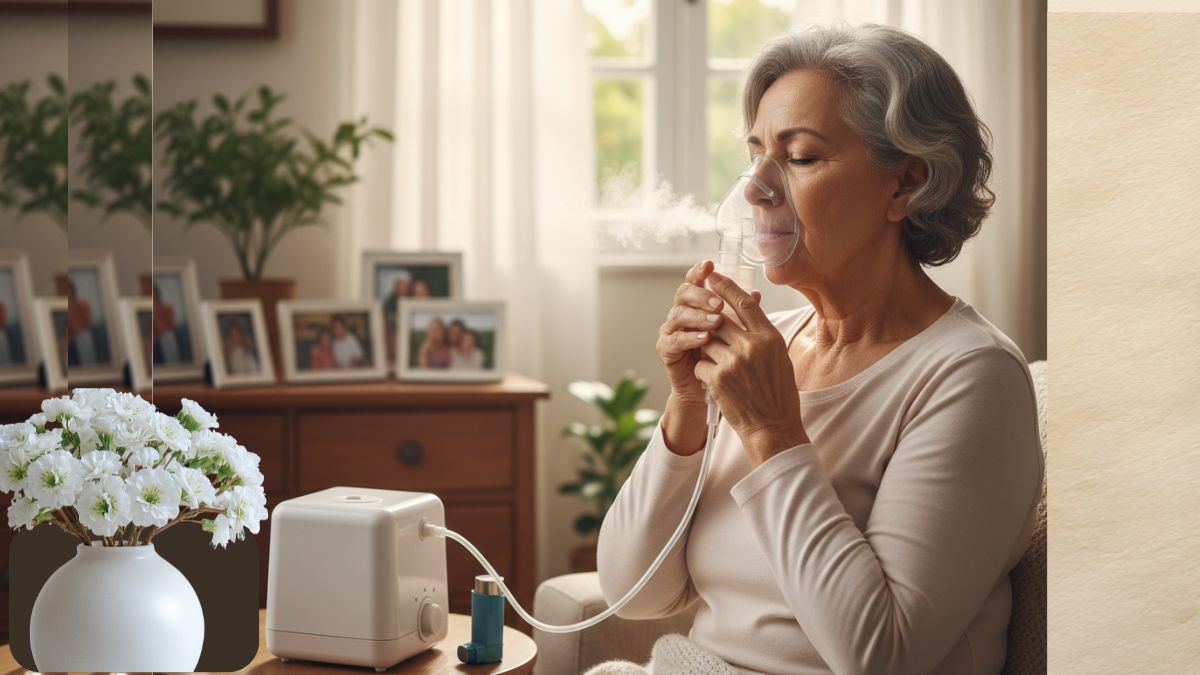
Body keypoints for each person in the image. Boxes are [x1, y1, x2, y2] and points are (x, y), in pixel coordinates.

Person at [596, 24, 1042, 675]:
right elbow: (632, 592)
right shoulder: (763, 347)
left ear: (905, 184)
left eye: (800, 157)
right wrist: (687, 406)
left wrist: (772, 431)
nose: (755, 188)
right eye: (755, 154)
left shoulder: (970, 378)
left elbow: (881, 654)